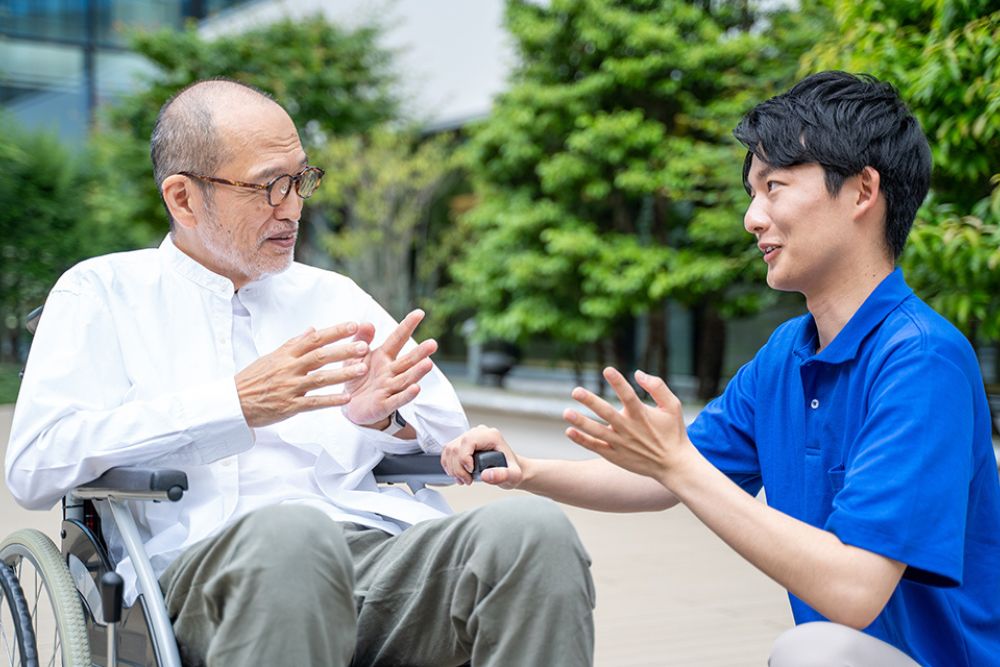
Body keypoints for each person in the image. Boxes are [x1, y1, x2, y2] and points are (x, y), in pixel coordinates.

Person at [5, 78, 594, 667]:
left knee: (530, 532)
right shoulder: (102, 293)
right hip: (205, 573)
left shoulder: (333, 295)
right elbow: (34, 464)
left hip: (372, 554)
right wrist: (233, 405)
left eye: (300, 180)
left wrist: (385, 419)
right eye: (267, 187)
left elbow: (447, 440)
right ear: (183, 198)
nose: (292, 207)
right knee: (291, 537)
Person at [443, 71, 1000, 666]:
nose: (752, 218)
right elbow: (661, 478)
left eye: (775, 186)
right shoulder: (788, 353)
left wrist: (679, 465)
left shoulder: (920, 360)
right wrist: (525, 469)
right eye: (751, 194)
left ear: (863, 191)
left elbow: (855, 589)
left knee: (813, 652)